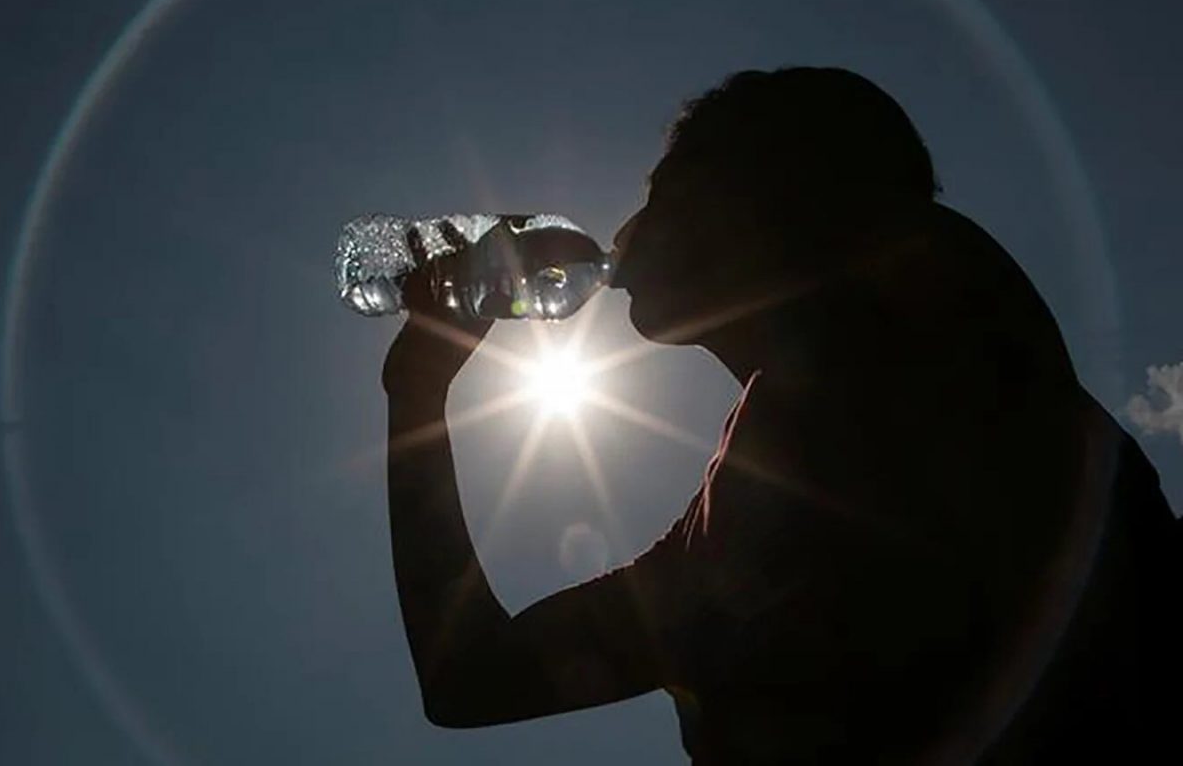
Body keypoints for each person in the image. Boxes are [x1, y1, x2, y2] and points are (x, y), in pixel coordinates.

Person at [380, 67, 1181, 764]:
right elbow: (472, 677)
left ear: (758, 201)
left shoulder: (950, 330)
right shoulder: (711, 549)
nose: (628, 234)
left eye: (659, 197)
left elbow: (883, 225)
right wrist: (418, 396)